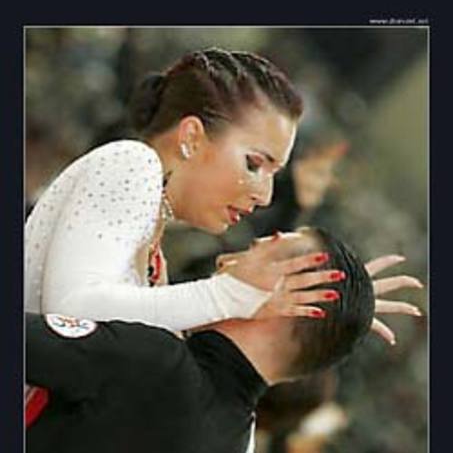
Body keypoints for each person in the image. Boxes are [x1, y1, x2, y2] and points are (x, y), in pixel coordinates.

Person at [26, 227, 418, 453]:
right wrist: (345, 313)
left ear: (292, 299)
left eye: (280, 248)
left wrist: (345, 304)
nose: (263, 239)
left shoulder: (154, 360)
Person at [26, 47, 341, 331]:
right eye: (254, 164)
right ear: (191, 137)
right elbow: (71, 312)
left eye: (274, 174)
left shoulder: (154, 239)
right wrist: (225, 295)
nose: (265, 196)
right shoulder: (133, 162)